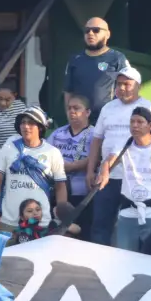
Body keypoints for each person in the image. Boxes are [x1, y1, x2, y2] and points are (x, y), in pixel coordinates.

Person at [87, 65, 151, 246]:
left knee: (138, 227)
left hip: (138, 178)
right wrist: (91, 170)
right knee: (100, 223)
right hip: (108, 176)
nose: (121, 88)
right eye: (119, 84)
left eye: (126, 84)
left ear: (138, 85)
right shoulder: (108, 108)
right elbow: (97, 140)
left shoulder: (149, 107)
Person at [105, 106, 151, 252]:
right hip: (128, 211)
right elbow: (109, 160)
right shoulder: (125, 144)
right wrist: (104, 171)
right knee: (124, 255)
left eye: (139, 122)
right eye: (132, 122)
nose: (135, 125)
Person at [0, 104, 68, 231]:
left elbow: (60, 186)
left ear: (40, 127)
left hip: (41, 224)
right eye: (23, 122)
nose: (26, 126)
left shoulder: (52, 152)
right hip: (9, 222)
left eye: (31, 123)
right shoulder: (9, 147)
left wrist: (61, 216)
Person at [65, 17, 129, 121]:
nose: (90, 33)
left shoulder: (117, 58)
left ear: (107, 34)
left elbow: (127, 88)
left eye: (96, 30)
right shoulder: (75, 60)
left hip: (107, 120)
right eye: (87, 30)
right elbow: (68, 91)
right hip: (81, 122)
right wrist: (70, 116)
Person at [49, 94, 95, 234]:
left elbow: (97, 157)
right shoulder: (58, 133)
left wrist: (74, 166)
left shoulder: (95, 134)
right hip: (58, 189)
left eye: (77, 108)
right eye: (69, 108)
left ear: (87, 112)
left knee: (83, 231)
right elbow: (45, 154)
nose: (72, 112)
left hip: (84, 192)